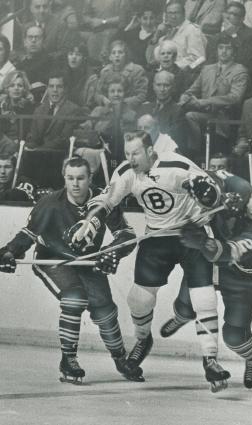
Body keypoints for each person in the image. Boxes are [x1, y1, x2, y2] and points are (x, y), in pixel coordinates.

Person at [67, 130, 232, 389]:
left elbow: (213, 196)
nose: (131, 159)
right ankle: (143, 340)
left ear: (150, 151)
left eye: (136, 153)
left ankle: (211, 360)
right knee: (139, 299)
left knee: (204, 298)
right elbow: (107, 200)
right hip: (156, 238)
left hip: (191, 235)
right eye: (127, 153)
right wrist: (89, 223)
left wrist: (207, 193)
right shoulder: (126, 173)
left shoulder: (177, 165)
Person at [0, 156, 144, 383]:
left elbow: (126, 235)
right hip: (53, 259)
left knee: (105, 310)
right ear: (64, 178)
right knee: (75, 298)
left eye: (80, 178)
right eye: (70, 178)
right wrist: (9, 252)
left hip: (86, 261)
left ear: (90, 179)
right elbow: (28, 234)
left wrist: (111, 252)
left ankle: (120, 358)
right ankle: (68, 359)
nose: (75, 184)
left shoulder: (103, 201)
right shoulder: (49, 203)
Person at [160, 177, 252, 389]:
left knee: (234, 337)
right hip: (207, 266)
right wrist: (210, 189)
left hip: (240, 279)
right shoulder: (242, 187)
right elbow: (209, 176)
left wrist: (201, 241)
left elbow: (229, 252)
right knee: (186, 306)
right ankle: (183, 317)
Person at [180, 33, 248, 155]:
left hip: (223, 117)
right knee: (179, 112)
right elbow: (191, 91)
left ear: (234, 52)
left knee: (191, 116)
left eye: (228, 48)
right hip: (204, 113)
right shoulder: (207, 69)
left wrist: (206, 101)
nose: (224, 51)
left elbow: (235, 98)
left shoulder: (239, 70)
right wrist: (184, 99)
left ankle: (195, 153)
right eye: (221, 48)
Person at [26, 72, 82, 151]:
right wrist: (27, 147)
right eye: (51, 86)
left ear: (65, 89)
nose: (55, 90)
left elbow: (64, 139)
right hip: (37, 154)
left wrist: (39, 150)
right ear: (47, 89)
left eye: (59, 87)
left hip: (58, 155)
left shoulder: (72, 109)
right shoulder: (39, 109)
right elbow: (33, 136)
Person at [0, 70, 35, 142]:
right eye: (12, 85)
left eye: (20, 85)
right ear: (7, 88)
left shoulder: (30, 108)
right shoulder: (1, 106)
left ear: (24, 89)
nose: (16, 88)